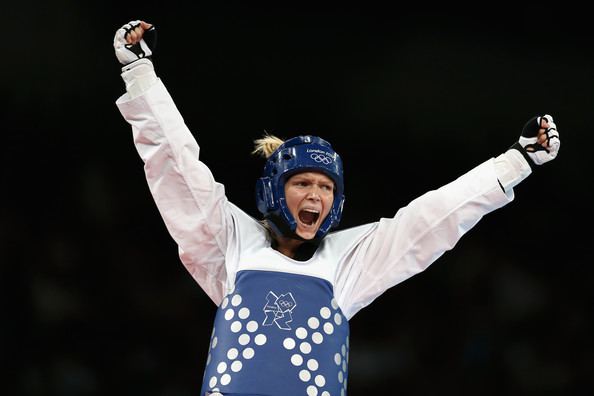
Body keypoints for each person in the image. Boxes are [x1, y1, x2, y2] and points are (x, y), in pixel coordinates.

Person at [113, 20, 560, 396]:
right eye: (303, 182)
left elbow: (433, 218)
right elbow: (177, 166)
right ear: (274, 191)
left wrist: (515, 162)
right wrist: (139, 73)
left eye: (326, 186)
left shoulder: (347, 265)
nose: (316, 195)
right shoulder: (232, 247)